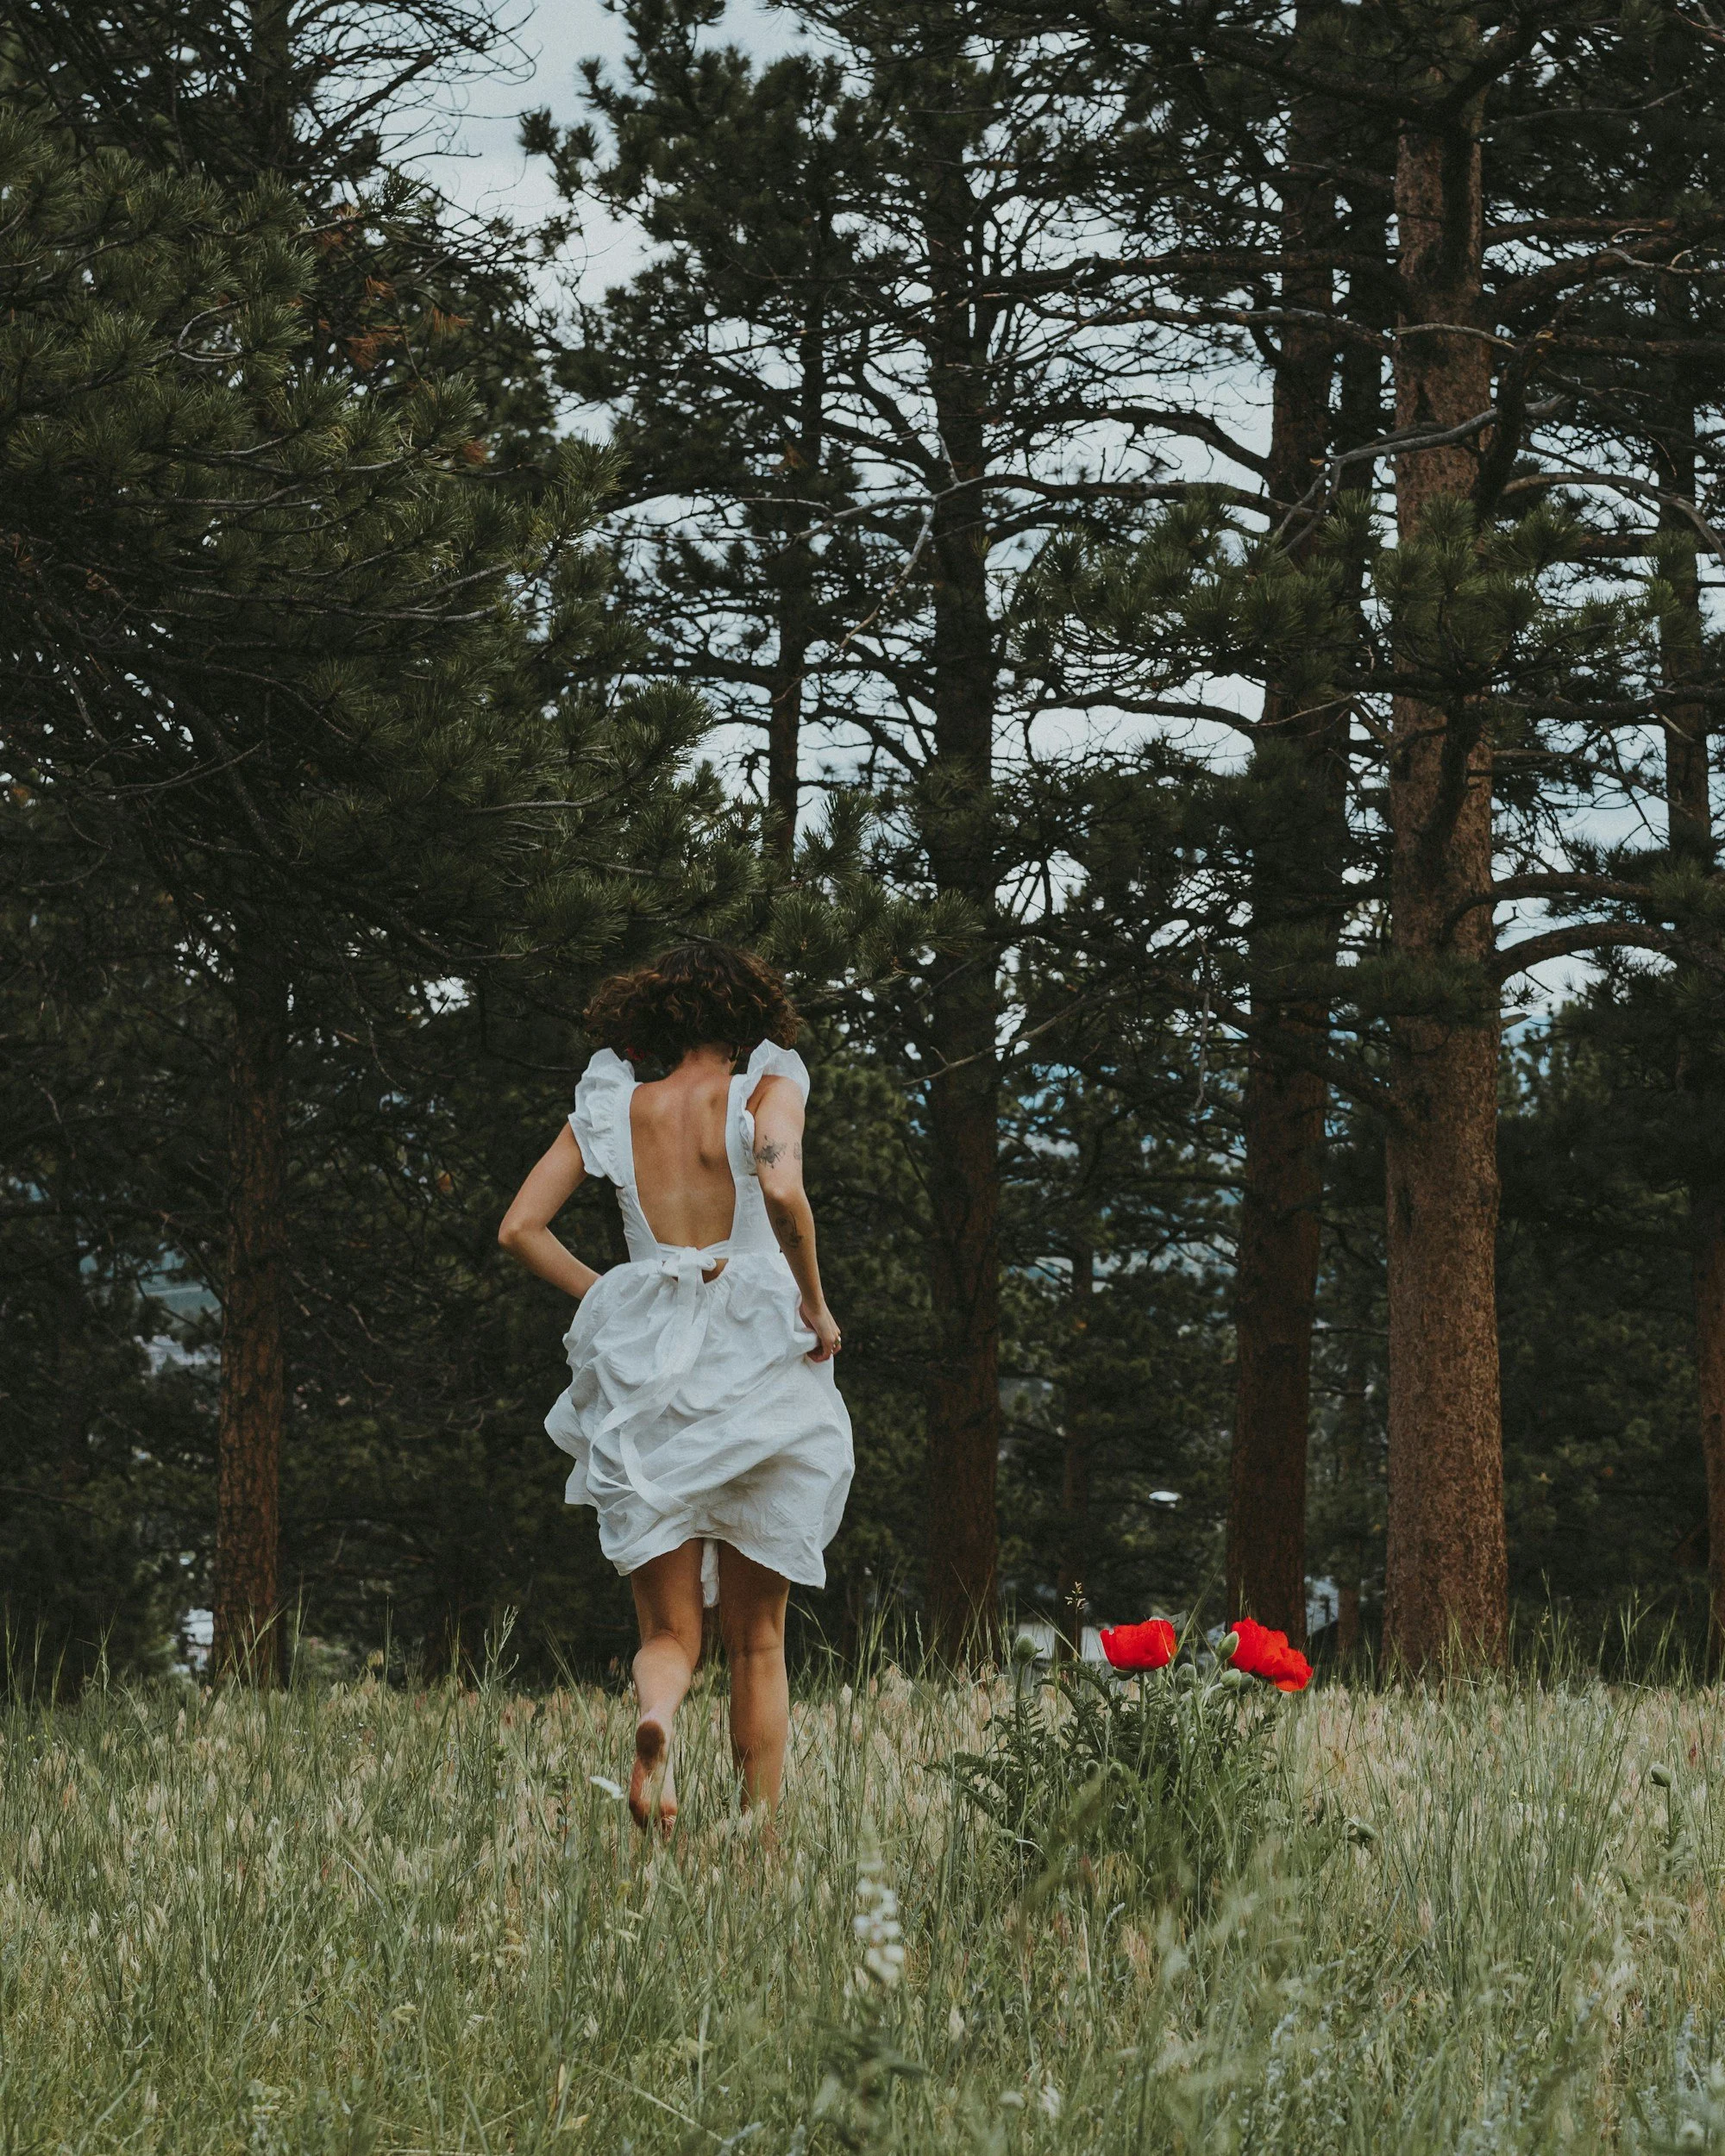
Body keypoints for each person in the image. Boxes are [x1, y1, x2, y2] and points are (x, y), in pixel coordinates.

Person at [499, 942, 853, 1832]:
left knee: (666, 1635)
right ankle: (759, 1841)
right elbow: (781, 1189)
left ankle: (656, 1717)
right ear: (749, 1018)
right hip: (756, 1365)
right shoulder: (766, 1089)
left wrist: (617, 1294)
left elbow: (519, 1227)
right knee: (758, 1640)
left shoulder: (615, 1108)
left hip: (646, 1367)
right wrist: (813, 1304)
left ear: (657, 1020)